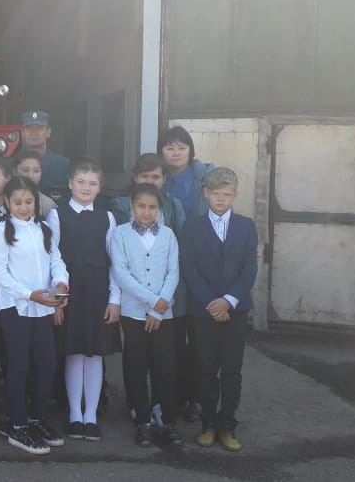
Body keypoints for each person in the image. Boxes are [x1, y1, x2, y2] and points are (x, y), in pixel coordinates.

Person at [110, 153, 193, 424]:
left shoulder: (168, 235)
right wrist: (150, 300)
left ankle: (164, 413)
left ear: (160, 209)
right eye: (141, 206)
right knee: (136, 362)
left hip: (163, 310)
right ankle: (140, 413)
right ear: (131, 206)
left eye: (152, 207)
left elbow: (173, 271)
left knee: (164, 364)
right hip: (133, 310)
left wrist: (160, 305)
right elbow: (121, 272)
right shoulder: (121, 234)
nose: (146, 211)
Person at [0, 176, 69, 455]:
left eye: (28, 201)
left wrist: (61, 284)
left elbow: (56, 260)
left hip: (42, 307)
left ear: (36, 201)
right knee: (19, 366)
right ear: (7, 202)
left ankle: (36, 418)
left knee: (46, 364)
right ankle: (17, 425)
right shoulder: (2, 231)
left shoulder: (44, 229)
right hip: (15, 308)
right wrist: (28, 294)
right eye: (17, 202)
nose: (23, 207)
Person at [180, 168, 258, 452]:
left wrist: (229, 300)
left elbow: (250, 267)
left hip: (235, 309)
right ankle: (208, 423)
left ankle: (228, 424)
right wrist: (212, 303)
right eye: (215, 194)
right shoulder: (192, 226)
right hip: (203, 310)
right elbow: (189, 268)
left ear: (235, 195)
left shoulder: (246, 226)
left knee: (231, 369)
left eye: (227, 194)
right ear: (206, 194)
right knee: (205, 366)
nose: (221, 199)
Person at [55, 159, 121, 442]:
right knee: (73, 352)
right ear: (70, 183)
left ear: (100, 188)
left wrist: (114, 298)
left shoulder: (108, 218)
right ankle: (74, 415)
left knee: (94, 354)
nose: (86, 187)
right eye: (81, 182)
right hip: (71, 293)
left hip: (98, 292)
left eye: (92, 183)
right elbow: (52, 258)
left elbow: (115, 262)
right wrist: (57, 298)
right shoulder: (57, 215)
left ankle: (91, 415)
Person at [158, 126, 212, 422]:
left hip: (200, 263)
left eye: (181, 146)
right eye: (169, 147)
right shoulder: (158, 180)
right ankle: (176, 396)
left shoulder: (204, 178)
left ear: (190, 150)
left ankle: (199, 398)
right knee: (175, 337)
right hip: (170, 266)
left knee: (201, 337)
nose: (175, 152)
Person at [159, 125, 215, 219]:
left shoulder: (207, 178)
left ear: (190, 151)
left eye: (182, 148)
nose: (176, 153)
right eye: (170, 149)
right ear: (161, 152)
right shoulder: (154, 178)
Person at [19, 111, 69, 189]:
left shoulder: (64, 166)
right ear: (23, 133)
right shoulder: (14, 164)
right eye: (29, 128)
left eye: (39, 128)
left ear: (48, 132)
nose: (34, 132)